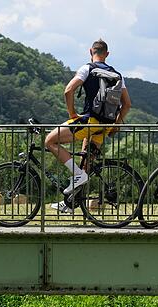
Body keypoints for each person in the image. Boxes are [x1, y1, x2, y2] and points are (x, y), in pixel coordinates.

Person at [45, 39, 131, 213]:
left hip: (89, 122)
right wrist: (115, 124)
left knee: (50, 142)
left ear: (90, 51)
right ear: (107, 54)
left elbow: (68, 90)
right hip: (104, 126)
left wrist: (72, 115)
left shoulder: (87, 69)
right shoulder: (117, 75)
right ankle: (70, 204)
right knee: (86, 164)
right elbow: (127, 104)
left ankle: (78, 176)